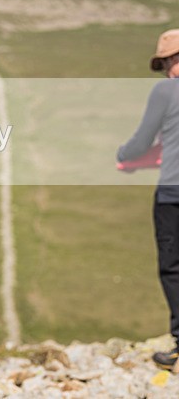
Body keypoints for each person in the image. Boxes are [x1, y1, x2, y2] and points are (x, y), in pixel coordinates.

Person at [119, 28, 179, 370]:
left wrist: (125, 156)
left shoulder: (166, 92)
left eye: (169, 62)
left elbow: (142, 141)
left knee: (174, 267)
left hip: (174, 193)